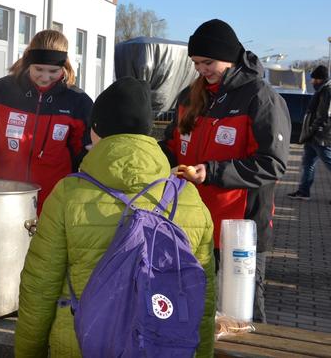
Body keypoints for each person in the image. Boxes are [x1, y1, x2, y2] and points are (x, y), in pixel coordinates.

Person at [14, 77, 216, 357]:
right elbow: (202, 301)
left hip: (79, 344)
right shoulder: (190, 198)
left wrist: (28, 353)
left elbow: (39, 289)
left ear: (97, 131)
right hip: (160, 346)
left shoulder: (68, 194)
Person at [160, 19, 291, 323]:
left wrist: (211, 172)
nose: (202, 69)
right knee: (193, 310)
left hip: (239, 229)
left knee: (240, 318)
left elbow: (272, 163)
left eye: (208, 62)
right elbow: (172, 145)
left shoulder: (260, 97)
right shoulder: (189, 97)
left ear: (230, 57)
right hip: (192, 225)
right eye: (196, 63)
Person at [0, 29, 93, 215]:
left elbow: (84, 151)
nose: (45, 77)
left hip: (53, 204)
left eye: (53, 71)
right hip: (3, 197)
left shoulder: (78, 101)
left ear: (64, 67)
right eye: (38, 69)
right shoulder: (0, 90)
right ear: (28, 63)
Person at [287, 65, 331, 201]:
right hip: (313, 137)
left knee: (328, 162)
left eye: (314, 79)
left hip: (320, 136)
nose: (312, 82)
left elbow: (323, 116)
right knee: (308, 163)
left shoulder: (327, 91)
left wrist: (313, 130)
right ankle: (303, 191)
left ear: (320, 79)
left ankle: (304, 191)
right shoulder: (323, 90)